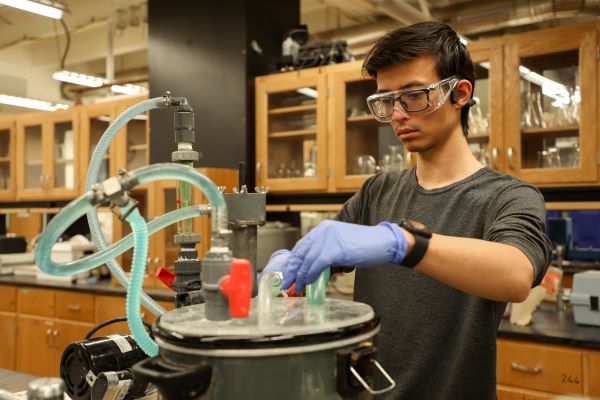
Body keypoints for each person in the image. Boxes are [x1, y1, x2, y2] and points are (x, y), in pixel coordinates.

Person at [262, 21, 552, 399]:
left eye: (413, 96)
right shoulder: (377, 191)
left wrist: (405, 244)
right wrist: (287, 267)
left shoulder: (507, 197)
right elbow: (321, 254)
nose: (397, 113)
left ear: (459, 92)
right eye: (385, 100)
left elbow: (515, 274)